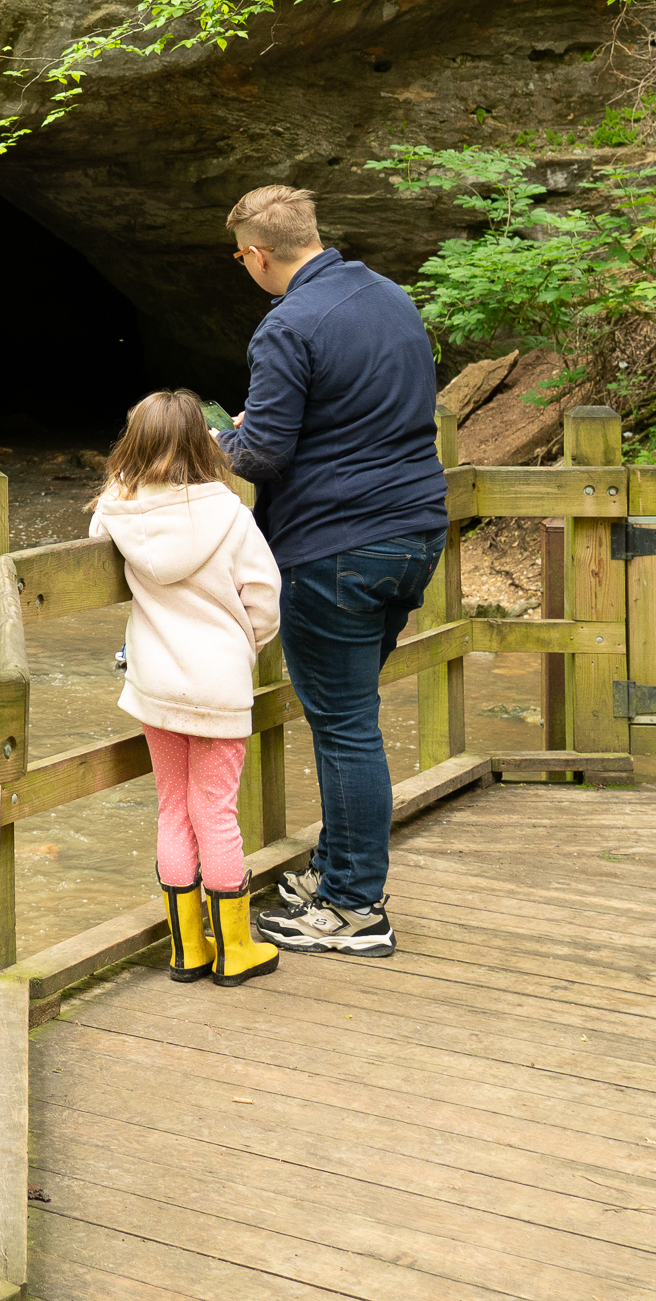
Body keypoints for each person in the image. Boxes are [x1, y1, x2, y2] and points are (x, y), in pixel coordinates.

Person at [212, 184, 449, 959]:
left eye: (239, 257)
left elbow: (265, 453)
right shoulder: (391, 297)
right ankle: (337, 871)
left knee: (345, 726)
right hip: (415, 533)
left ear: (256, 255)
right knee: (350, 717)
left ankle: (353, 906)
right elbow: (372, 409)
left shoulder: (288, 324)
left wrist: (220, 438)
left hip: (335, 547)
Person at [88, 388, 284, 987]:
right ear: (205, 445)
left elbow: (100, 519)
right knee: (216, 811)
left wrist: (122, 483)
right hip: (219, 683)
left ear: (134, 444)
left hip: (155, 683)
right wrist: (239, 650)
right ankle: (234, 949)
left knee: (174, 808)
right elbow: (266, 603)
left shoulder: (120, 514)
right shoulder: (230, 514)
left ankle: (187, 949)